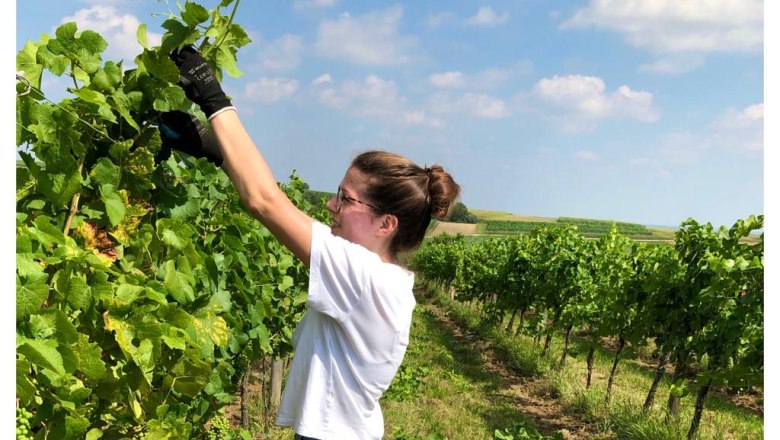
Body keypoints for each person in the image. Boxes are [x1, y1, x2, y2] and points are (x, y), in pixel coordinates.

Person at [160, 46, 461, 440]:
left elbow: (265, 201)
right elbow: (278, 202)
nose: (330, 204)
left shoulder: (366, 278)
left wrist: (212, 98)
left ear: (386, 223)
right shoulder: (375, 277)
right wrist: (216, 151)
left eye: (346, 198)